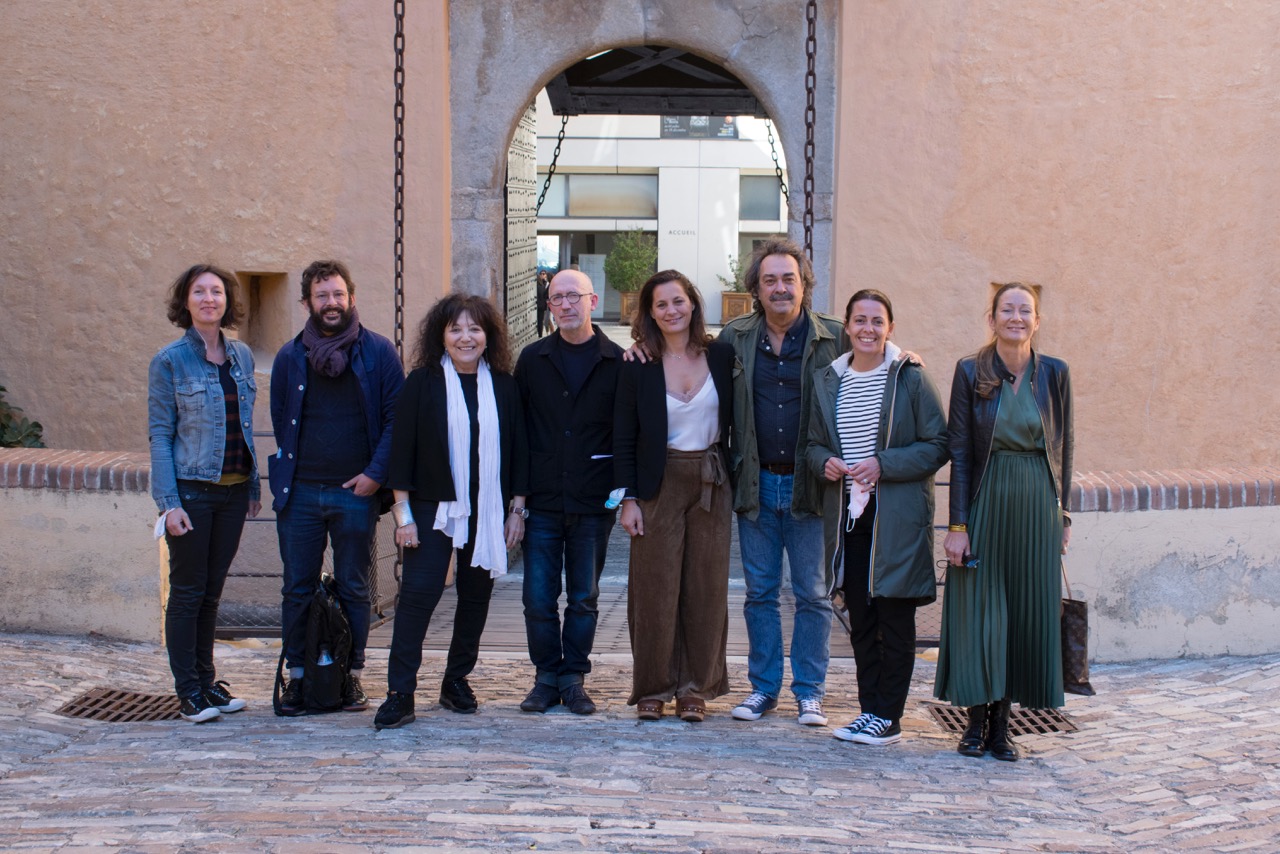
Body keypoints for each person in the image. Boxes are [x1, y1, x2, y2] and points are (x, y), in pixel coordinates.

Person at [374, 294, 529, 730]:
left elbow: (519, 450)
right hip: (431, 508)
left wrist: (517, 509)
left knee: (475, 597)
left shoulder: (504, 386)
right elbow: (401, 453)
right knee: (419, 598)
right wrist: (403, 517)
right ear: (440, 336)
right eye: (455, 329)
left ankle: (455, 680)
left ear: (488, 336)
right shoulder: (421, 383)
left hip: (488, 508)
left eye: (475, 329)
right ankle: (400, 692)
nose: (466, 337)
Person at [934, 282, 1074, 762]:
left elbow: (1064, 449)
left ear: (1037, 320)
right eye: (1006, 309)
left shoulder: (1055, 373)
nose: (1016, 317)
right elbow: (959, 453)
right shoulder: (970, 372)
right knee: (980, 612)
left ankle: (1002, 730)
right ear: (990, 318)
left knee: (1019, 615)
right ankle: (974, 723)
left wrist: (1064, 514)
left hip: (1037, 504)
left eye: (1025, 310)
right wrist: (957, 527)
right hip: (987, 500)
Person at [807, 289, 948, 746]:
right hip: (848, 516)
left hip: (896, 516)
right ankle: (870, 711)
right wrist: (823, 461)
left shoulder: (908, 376)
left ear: (890, 327)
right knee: (862, 617)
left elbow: (937, 445)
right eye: (860, 320)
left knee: (894, 616)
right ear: (846, 326)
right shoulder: (829, 377)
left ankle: (889, 716)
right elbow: (812, 445)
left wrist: (884, 464)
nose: (868, 329)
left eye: (877, 321)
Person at [717, 237, 845, 727]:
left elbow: (876, 365)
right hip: (755, 484)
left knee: (813, 594)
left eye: (788, 278)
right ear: (756, 287)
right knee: (760, 593)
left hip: (811, 488)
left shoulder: (835, 337)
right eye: (769, 279)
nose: (779, 288)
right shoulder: (735, 337)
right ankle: (764, 688)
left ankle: (809, 691)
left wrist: (903, 356)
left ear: (804, 283)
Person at [270, 260, 403, 715]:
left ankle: (348, 677)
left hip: (356, 493)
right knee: (296, 587)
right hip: (301, 493)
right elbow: (281, 419)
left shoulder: (380, 353)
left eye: (338, 294)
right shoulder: (291, 357)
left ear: (352, 297)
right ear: (307, 302)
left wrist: (374, 475)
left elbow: (395, 421)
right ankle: (299, 678)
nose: (331, 303)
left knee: (353, 585)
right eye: (322, 295)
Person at [614, 270, 734, 723]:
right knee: (653, 589)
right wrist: (628, 499)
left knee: (705, 588)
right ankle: (653, 687)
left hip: (711, 479)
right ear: (649, 313)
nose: (671, 311)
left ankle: (694, 689)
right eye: (661, 304)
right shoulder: (638, 364)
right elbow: (623, 437)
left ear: (693, 304)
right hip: (656, 482)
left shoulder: (721, 355)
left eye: (678, 301)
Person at [148, 264, 261, 723]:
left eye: (216, 291)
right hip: (192, 493)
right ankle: (188, 692)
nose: (209, 299)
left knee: (212, 593)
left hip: (233, 494)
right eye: (199, 292)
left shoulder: (242, 357)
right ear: (186, 301)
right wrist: (168, 502)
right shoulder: (170, 361)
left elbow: (246, 427)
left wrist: (252, 484)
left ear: (227, 302)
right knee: (188, 592)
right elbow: (160, 434)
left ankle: (207, 683)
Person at [514, 270, 623, 715]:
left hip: (592, 500)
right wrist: (516, 501)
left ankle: (573, 676)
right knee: (537, 597)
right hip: (541, 499)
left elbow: (624, 434)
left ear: (592, 301)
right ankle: (545, 677)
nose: (565, 304)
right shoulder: (532, 359)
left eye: (573, 296)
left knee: (583, 596)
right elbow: (518, 432)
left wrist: (624, 491)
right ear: (550, 306)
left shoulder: (617, 361)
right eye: (556, 297)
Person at [535, 270, 551, 337]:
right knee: (541, 321)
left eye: (544, 274)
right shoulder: (542, 286)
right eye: (541, 274)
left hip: (539, 306)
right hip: (542, 306)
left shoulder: (539, 286)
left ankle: (540, 334)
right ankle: (540, 334)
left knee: (541, 320)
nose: (542, 275)